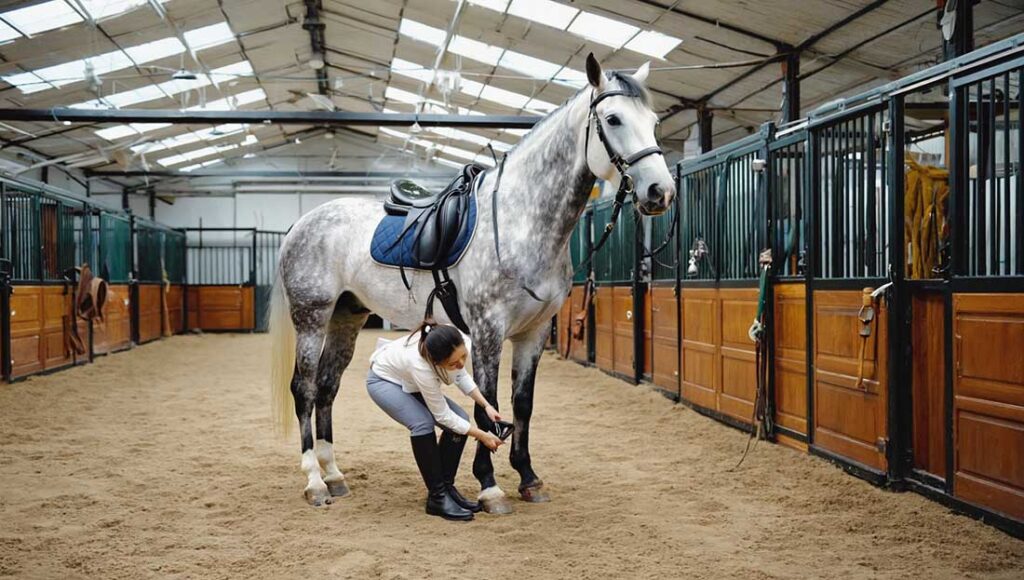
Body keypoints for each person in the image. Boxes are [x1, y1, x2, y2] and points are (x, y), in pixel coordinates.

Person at [367, 319, 504, 521]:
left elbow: (461, 375)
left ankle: (447, 487)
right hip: (384, 381)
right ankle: (437, 497)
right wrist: (482, 435)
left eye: (463, 357)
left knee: (461, 419)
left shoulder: (454, 339)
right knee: (422, 423)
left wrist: (486, 405)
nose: (461, 363)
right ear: (436, 361)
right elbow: (443, 416)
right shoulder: (420, 365)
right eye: (452, 363)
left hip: (409, 381)